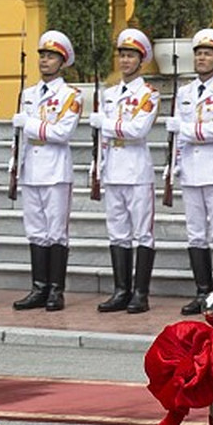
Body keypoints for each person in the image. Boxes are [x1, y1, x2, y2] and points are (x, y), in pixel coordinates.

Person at [167, 28, 213, 315]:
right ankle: (201, 292)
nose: (201, 58)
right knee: (195, 233)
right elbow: (177, 137)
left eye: (207, 54)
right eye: (198, 53)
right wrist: (174, 163)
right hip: (190, 168)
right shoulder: (184, 92)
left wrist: (184, 129)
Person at [11, 30, 82, 311]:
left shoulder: (70, 95)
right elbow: (20, 137)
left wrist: (29, 124)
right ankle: (38, 288)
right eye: (42, 55)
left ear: (62, 62)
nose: (44, 61)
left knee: (56, 232)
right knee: (36, 231)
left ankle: (56, 290)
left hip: (55, 170)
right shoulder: (28, 94)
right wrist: (16, 162)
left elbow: (62, 132)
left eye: (51, 56)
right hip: (31, 168)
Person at [91, 27, 158, 314]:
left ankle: (140, 293)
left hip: (136, 169)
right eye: (122, 55)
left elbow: (137, 129)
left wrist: (105, 124)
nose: (125, 61)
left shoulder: (148, 94)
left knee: (142, 233)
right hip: (113, 168)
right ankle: (121, 290)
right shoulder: (109, 94)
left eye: (131, 56)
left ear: (141, 60)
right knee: (117, 232)